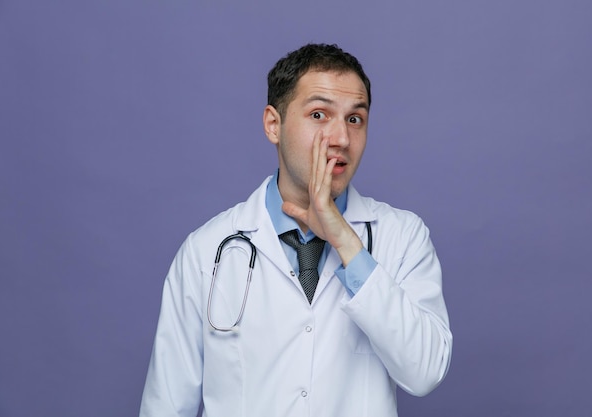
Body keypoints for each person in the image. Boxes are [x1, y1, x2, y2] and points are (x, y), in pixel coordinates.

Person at [139, 43, 452, 417]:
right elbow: (166, 407)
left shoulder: (403, 237)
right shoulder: (206, 251)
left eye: (355, 119)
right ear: (274, 124)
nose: (340, 138)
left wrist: (346, 243)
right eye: (319, 114)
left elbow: (426, 371)